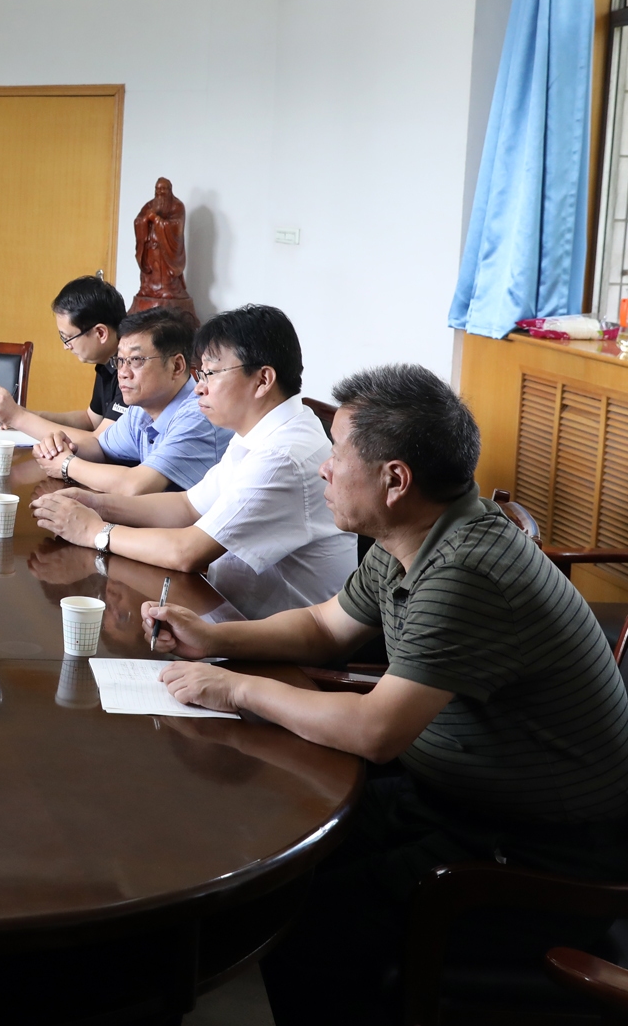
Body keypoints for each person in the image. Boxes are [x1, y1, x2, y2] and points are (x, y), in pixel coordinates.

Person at [145, 364, 628, 1026]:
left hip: (542, 855)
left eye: (337, 454)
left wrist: (234, 687)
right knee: (272, 851)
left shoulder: (467, 570)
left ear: (395, 480)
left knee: (305, 922)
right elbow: (325, 627)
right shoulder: (414, 534)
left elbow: (375, 731)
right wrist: (213, 638)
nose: (323, 469)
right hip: (452, 800)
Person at [31, 304, 354, 620]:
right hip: (224, 610)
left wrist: (94, 531)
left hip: (273, 637)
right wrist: (96, 503)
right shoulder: (261, 430)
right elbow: (188, 505)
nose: (199, 388)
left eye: (211, 374)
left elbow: (187, 552)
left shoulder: (281, 455)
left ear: (263, 380)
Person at [30, 308, 230, 495]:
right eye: (120, 361)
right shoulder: (142, 409)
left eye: (136, 360)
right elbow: (100, 447)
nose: (123, 373)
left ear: (176, 366)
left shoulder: (198, 415)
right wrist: (63, 446)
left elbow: (134, 485)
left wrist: (67, 464)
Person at [0, 274, 128, 442]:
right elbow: (91, 420)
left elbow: (99, 441)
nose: (66, 346)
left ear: (100, 333)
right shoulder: (107, 362)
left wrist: (18, 418)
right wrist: (28, 416)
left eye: (68, 338)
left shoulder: (131, 371)